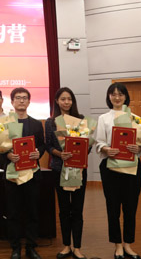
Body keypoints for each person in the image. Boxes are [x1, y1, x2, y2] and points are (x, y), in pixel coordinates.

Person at [95, 83, 141, 259]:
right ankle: (117, 245)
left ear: (126, 96)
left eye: (120, 94)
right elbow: (99, 142)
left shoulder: (136, 118)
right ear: (109, 97)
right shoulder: (103, 118)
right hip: (111, 168)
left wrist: (139, 148)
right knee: (113, 208)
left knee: (131, 208)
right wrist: (106, 149)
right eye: (113, 94)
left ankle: (128, 245)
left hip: (132, 168)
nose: (117, 97)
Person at [0, 87, 45, 259]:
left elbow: (42, 145)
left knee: (32, 212)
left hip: (32, 174)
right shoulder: (5, 124)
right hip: (12, 175)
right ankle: (15, 248)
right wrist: (7, 155)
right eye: (18, 98)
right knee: (13, 213)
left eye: (24, 97)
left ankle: (31, 247)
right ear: (12, 102)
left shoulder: (36, 124)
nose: (21, 100)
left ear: (29, 101)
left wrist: (39, 153)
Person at [44, 87, 88, 259]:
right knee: (63, 209)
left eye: (69, 99)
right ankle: (66, 245)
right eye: (63, 99)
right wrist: (59, 154)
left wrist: (80, 152)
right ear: (57, 101)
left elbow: (87, 145)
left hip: (78, 169)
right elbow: (48, 146)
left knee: (77, 209)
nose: (66, 102)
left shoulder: (81, 119)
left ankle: (77, 247)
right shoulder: (51, 122)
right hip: (59, 169)